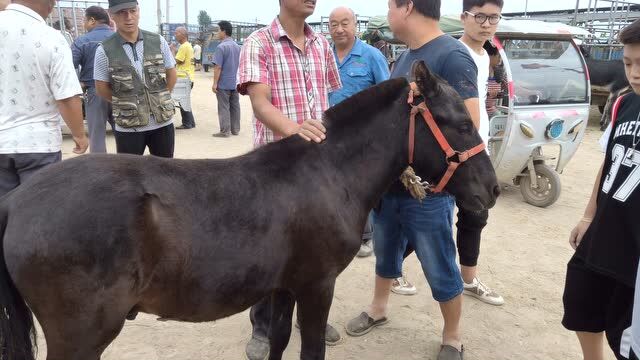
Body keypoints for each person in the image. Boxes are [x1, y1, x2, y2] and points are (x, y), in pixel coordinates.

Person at [345, 1, 482, 359]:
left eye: (391, 6)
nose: (388, 14)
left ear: (407, 7)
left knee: (439, 262)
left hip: (428, 190)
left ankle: (452, 337)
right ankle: (378, 308)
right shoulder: (406, 57)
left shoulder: (452, 55)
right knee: (385, 252)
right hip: (391, 182)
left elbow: (470, 125)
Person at [237, 0, 342, 358]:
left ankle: (309, 318)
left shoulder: (321, 44)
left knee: (315, 247)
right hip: (275, 168)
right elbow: (260, 104)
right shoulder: (259, 42)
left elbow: (326, 98)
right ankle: (262, 326)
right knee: (270, 252)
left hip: (317, 166)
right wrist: (296, 131)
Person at [563, 18, 640, 360]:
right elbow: (609, 162)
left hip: (634, 251)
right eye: (628, 63)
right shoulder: (625, 104)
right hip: (605, 231)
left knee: (628, 337)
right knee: (581, 302)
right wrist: (588, 215)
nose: (635, 72)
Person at [0, 0, 88, 197]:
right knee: (38, 216)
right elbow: (66, 96)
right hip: (38, 144)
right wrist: (79, 135)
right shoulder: (51, 37)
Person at [328, 6, 389, 258]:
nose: (339, 29)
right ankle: (338, 232)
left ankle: (366, 237)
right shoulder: (324, 55)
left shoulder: (371, 56)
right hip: (329, 136)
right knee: (333, 186)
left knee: (362, 187)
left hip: (363, 139)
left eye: (345, 23)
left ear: (356, 26)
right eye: (334, 24)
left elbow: (388, 96)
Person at [457, 0, 504, 306]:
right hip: (454, 152)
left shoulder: (486, 55)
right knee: (426, 214)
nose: (487, 24)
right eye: (481, 17)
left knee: (475, 213)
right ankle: (392, 270)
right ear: (465, 18)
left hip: (478, 148)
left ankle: (468, 279)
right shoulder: (454, 54)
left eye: (494, 18)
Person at [94, 0, 177, 158]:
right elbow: (101, 88)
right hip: (128, 128)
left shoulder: (158, 41)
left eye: (133, 11)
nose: (128, 17)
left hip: (162, 123)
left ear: (138, 11)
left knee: (165, 175)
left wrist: (161, 98)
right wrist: (125, 103)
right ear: (111, 15)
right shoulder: (104, 50)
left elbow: (171, 74)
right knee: (129, 177)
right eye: (121, 13)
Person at [71, 5, 115, 153]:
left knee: (97, 136)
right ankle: (127, 167)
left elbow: (70, 68)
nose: (84, 24)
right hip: (122, 91)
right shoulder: (119, 38)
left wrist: (80, 83)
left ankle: (100, 171)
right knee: (126, 133)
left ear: (92, 20)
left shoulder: (82, 41)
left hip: (95, 91)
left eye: (84, 20)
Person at [212, 20, 241, 138]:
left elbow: (218, 67)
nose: (218, 33)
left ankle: (225, 131)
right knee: (235, 106)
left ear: (224, 31)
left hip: (223, 83)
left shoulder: (221, 47)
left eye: (218, 30)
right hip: (235, 82)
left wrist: (215, 83)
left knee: (223, 106)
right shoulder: (237, 47)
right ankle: (235, 129)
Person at [174, 26, 196, 130]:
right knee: (185, 100)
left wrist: (172, 51)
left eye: (177, 33)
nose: (175, 35)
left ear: (183, 34)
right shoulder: (188, 45)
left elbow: (177, 61)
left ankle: (187, 123)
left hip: (183, 78)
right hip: (189, 78)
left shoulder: (183, 47)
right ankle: (191, 122)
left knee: (182, 100)